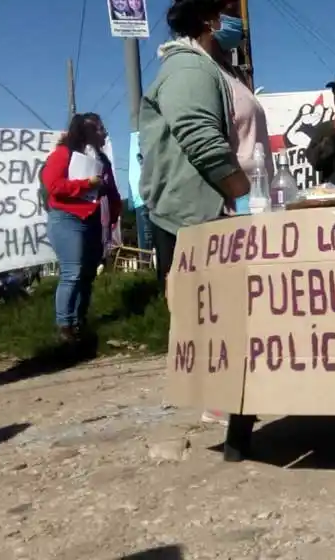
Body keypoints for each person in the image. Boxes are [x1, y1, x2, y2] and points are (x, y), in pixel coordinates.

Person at [138, 0, 264, 450]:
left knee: (237, 310)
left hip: (223, 207)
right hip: (203, 212)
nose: (238, 21)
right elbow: (198, 133)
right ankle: (225, 399)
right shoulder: (190, 69)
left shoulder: (212, 68)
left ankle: (235, 395)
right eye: (231, 10)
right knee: (217, 311)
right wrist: (237, 189)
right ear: (210, 18)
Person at [41, 113, 122, 343]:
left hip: (93, 220)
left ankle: (79, 322)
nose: (104, 133)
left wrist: (113, 216)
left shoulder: (103, 162)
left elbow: (113, 193)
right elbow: (53, 185)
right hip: (67, 219)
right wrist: (87, 184)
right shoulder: (63, 154)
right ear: (86, 132)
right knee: (72, 272)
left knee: (87, 274)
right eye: (99, 129)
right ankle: (64, 325)